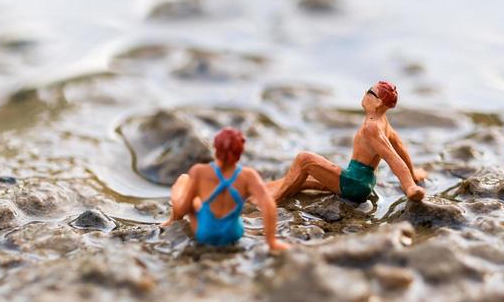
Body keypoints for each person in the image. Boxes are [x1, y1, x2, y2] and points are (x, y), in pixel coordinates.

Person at [268, 81, 427, 205]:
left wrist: (409, 186)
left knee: (304, 160)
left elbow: (393, 158)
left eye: (370, 92)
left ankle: (274, 199)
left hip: (355, 184)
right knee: (303, 179)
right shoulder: (382, 121)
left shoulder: (371, 127)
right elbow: (399, 146)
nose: (365, 93)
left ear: (378, 103)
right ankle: (265, 189)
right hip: (361, 181)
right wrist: (413, 174)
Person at [164, 128, 288, 251]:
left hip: (205, 234)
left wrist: (181, 199)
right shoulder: (248, 176)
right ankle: (272, 242)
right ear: (240, 151)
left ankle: (171, 221)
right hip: (233, 234)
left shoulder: (200, 172)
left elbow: (185, 207)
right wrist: (272, 242)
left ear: (216, 148)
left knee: (183, 180)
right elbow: (269, 205)